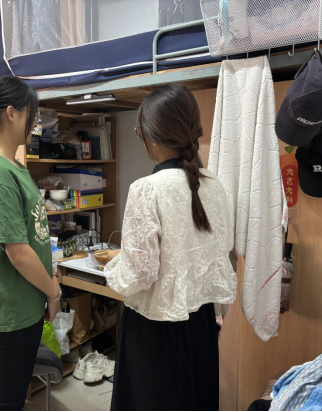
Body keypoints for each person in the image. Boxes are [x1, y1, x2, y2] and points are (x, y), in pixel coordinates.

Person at [105, 83, 238, 411]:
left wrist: (113, 265)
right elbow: (219, 254)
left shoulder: (147, 189)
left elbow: (140, 274)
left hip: (156, 330)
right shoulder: (215, 186)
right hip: (202, 324)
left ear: (151, 134)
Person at [0, 74, 62, 412]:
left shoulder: (12, 165)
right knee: (6, 402)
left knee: (13, 396)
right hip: (12, 306)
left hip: (25, 300)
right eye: (31, 114)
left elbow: (32, 236)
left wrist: (49, 282)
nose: (34, 122)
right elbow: (18, 252)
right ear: (11, 113)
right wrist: (53, 292)